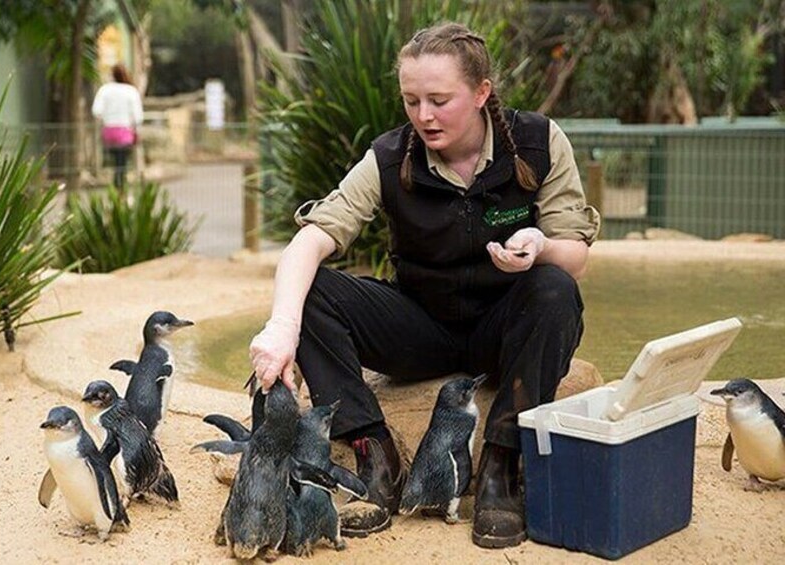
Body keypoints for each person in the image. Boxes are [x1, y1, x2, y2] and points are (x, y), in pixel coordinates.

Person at [249, 22, 600, 548]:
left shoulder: (537, 142)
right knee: (313, 290)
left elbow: (574, 256)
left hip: (505, 329)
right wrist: (282, 327)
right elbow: (311, 240)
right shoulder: (391, 157)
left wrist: (540, 245)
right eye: (411, 100)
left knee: (554, 288)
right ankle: (375, 455)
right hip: (420, 326)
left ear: (482, 93)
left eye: (439, 99)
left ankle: (502, 464)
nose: (423, 116)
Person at [92, 63, 143, 189]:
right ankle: (120, 187)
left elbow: (96, 110)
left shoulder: (105, 90)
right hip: (125, 132)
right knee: (122, 162)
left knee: (116, 160)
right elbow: (138, 116)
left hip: (109, 131)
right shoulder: (131, 91)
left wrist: (107, 118)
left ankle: (117, 185)